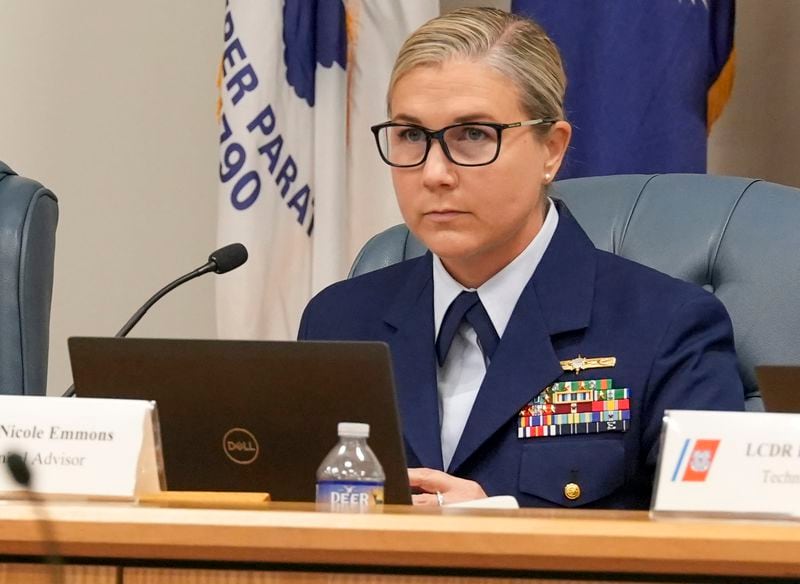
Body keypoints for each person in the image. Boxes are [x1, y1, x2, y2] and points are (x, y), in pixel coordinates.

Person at [298, 7, 745, 509]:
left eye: (473, 136)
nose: (434, 174)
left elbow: (713, 539)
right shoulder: (340, 319)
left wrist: (498, 526)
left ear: (551, 150)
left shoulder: (666, 326)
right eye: (412, 137)